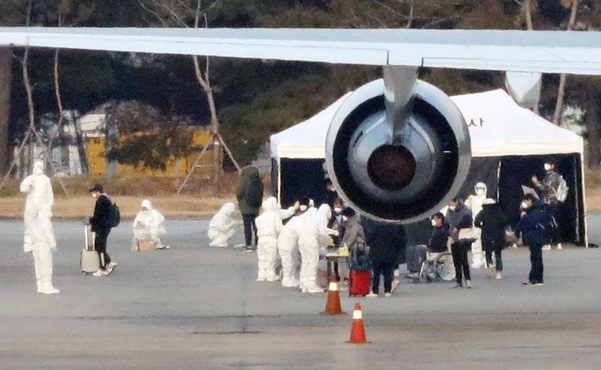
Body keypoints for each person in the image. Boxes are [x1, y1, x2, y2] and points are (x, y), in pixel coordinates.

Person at [363, 218, 405, 298]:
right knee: (387, 273)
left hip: (377, 253)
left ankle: (375, 291)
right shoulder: (394, 229)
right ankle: (387, 290)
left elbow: (369, 239)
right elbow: (400, 241)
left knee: (376, 274)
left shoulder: (377, 227)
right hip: (389, 253)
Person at [515, 194, 550, 287]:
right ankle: (538, 279)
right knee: (537, 257)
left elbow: (532, 222)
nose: (524, 203)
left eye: (525, 201)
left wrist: (524, 215)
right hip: (535, 236)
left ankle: (535, 279)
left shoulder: (536, 210)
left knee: (535, 258)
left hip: (536, 236)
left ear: (530, 200)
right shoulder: (534, 210)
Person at [20, 160, 54, 253]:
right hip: (31, 203)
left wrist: (49, 206)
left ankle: (42, 242)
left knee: (44, 223)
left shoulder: (46, 179)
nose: (38, 169)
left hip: (43, 204)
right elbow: (23, 189)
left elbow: (49, 194)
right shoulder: (29, 178)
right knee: (29, 224)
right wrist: (29, 187)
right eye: (37, 167)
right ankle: (28, 244)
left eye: (40, 167)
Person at [277, 198, 311, 288]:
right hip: (285, 244)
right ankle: (286, 279)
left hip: (288, 244)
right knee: (288, 262)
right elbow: (302, 235)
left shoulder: (298, 219)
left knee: (292, 261)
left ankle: (290, 277)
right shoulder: (299, 221)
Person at [298, 203, 332, 293]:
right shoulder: (322, 217)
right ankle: (311, 285)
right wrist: (329, 240)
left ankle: (304, 284)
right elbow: (322, 232)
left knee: (305, 262)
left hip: (302, 240)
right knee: (313, 262)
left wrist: (332, 231)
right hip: (311, 240)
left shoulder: (313, 216)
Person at [532, 160, 562, 250]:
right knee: (551, 222)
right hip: (549, 201)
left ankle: (549, 243)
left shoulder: (553, 176)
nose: (546, 166)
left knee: (549, 222)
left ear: (553, 166)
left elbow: (545, 188)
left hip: (550, 201)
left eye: (548, 164)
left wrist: (536, 183)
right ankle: (557, 242)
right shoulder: (548, 176)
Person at [474, 198, 507, 280]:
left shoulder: (483, 212)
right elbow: (504, 221)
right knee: (498, 254)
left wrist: (482, 227)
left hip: (486, 234)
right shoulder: (499, 211)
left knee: (488, 252)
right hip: (498, 234)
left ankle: (490, 266)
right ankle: (498, 273)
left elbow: (476, 222)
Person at [88, 184, 117, 277]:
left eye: (94, 192)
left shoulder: (101, 200)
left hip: (102, 227)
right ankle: (109, 262)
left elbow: (99, 215)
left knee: (100, 248)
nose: (93, 194)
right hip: (105, 226)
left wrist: (90, 220)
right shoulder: (107, 199)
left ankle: (103, 268)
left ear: (98, 191)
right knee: (98, 246)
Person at [28, 210, 60, 294]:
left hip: (35, 244)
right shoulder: (45, 221)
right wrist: (53, 245)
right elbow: (49, 234)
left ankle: (40, 284)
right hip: (44, 244)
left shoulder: (33, 221)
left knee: (38, 264)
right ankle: (47, 286)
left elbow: (29, 232)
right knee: (46, 264)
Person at [445, 198, 474, 289]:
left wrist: (458, 227)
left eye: (452, 203)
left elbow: (468, 220)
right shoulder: (449, 212)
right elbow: (446, 224)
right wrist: (449, 235)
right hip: (453, 238)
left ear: (456, 202)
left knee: (463, 260)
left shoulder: (465, 211)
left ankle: (468, 280)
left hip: (462, 238)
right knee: (456, 260)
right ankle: (458, 281)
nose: (451, 205)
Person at [236, 164, 264, 252]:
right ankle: (257, 243)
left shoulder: (244, 179)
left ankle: (248, 244)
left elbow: (239, 192)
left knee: (247, 226)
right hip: (256, 206)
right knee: (256, 225)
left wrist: (239, 200)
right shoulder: (258, 179)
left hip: (246, 206)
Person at [255, 197, 284, 282]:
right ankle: (270, 275)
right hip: (271, 238)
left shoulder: (260, 217)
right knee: (271, 257)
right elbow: (279, 228)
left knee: (262, 257)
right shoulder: (274, 216)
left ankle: (261, 274)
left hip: (261, 239)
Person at [464, 182, 487, 268]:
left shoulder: (487, 199)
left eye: (481, 188)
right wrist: (468, 200)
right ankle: (477, 259)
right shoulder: (473, 199)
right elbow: (466, 207)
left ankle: (487, 260)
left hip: (486, 223)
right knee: (476, 242)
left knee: (486, 242)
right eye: (478, 188)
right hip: (475, 223)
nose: (480, 190)